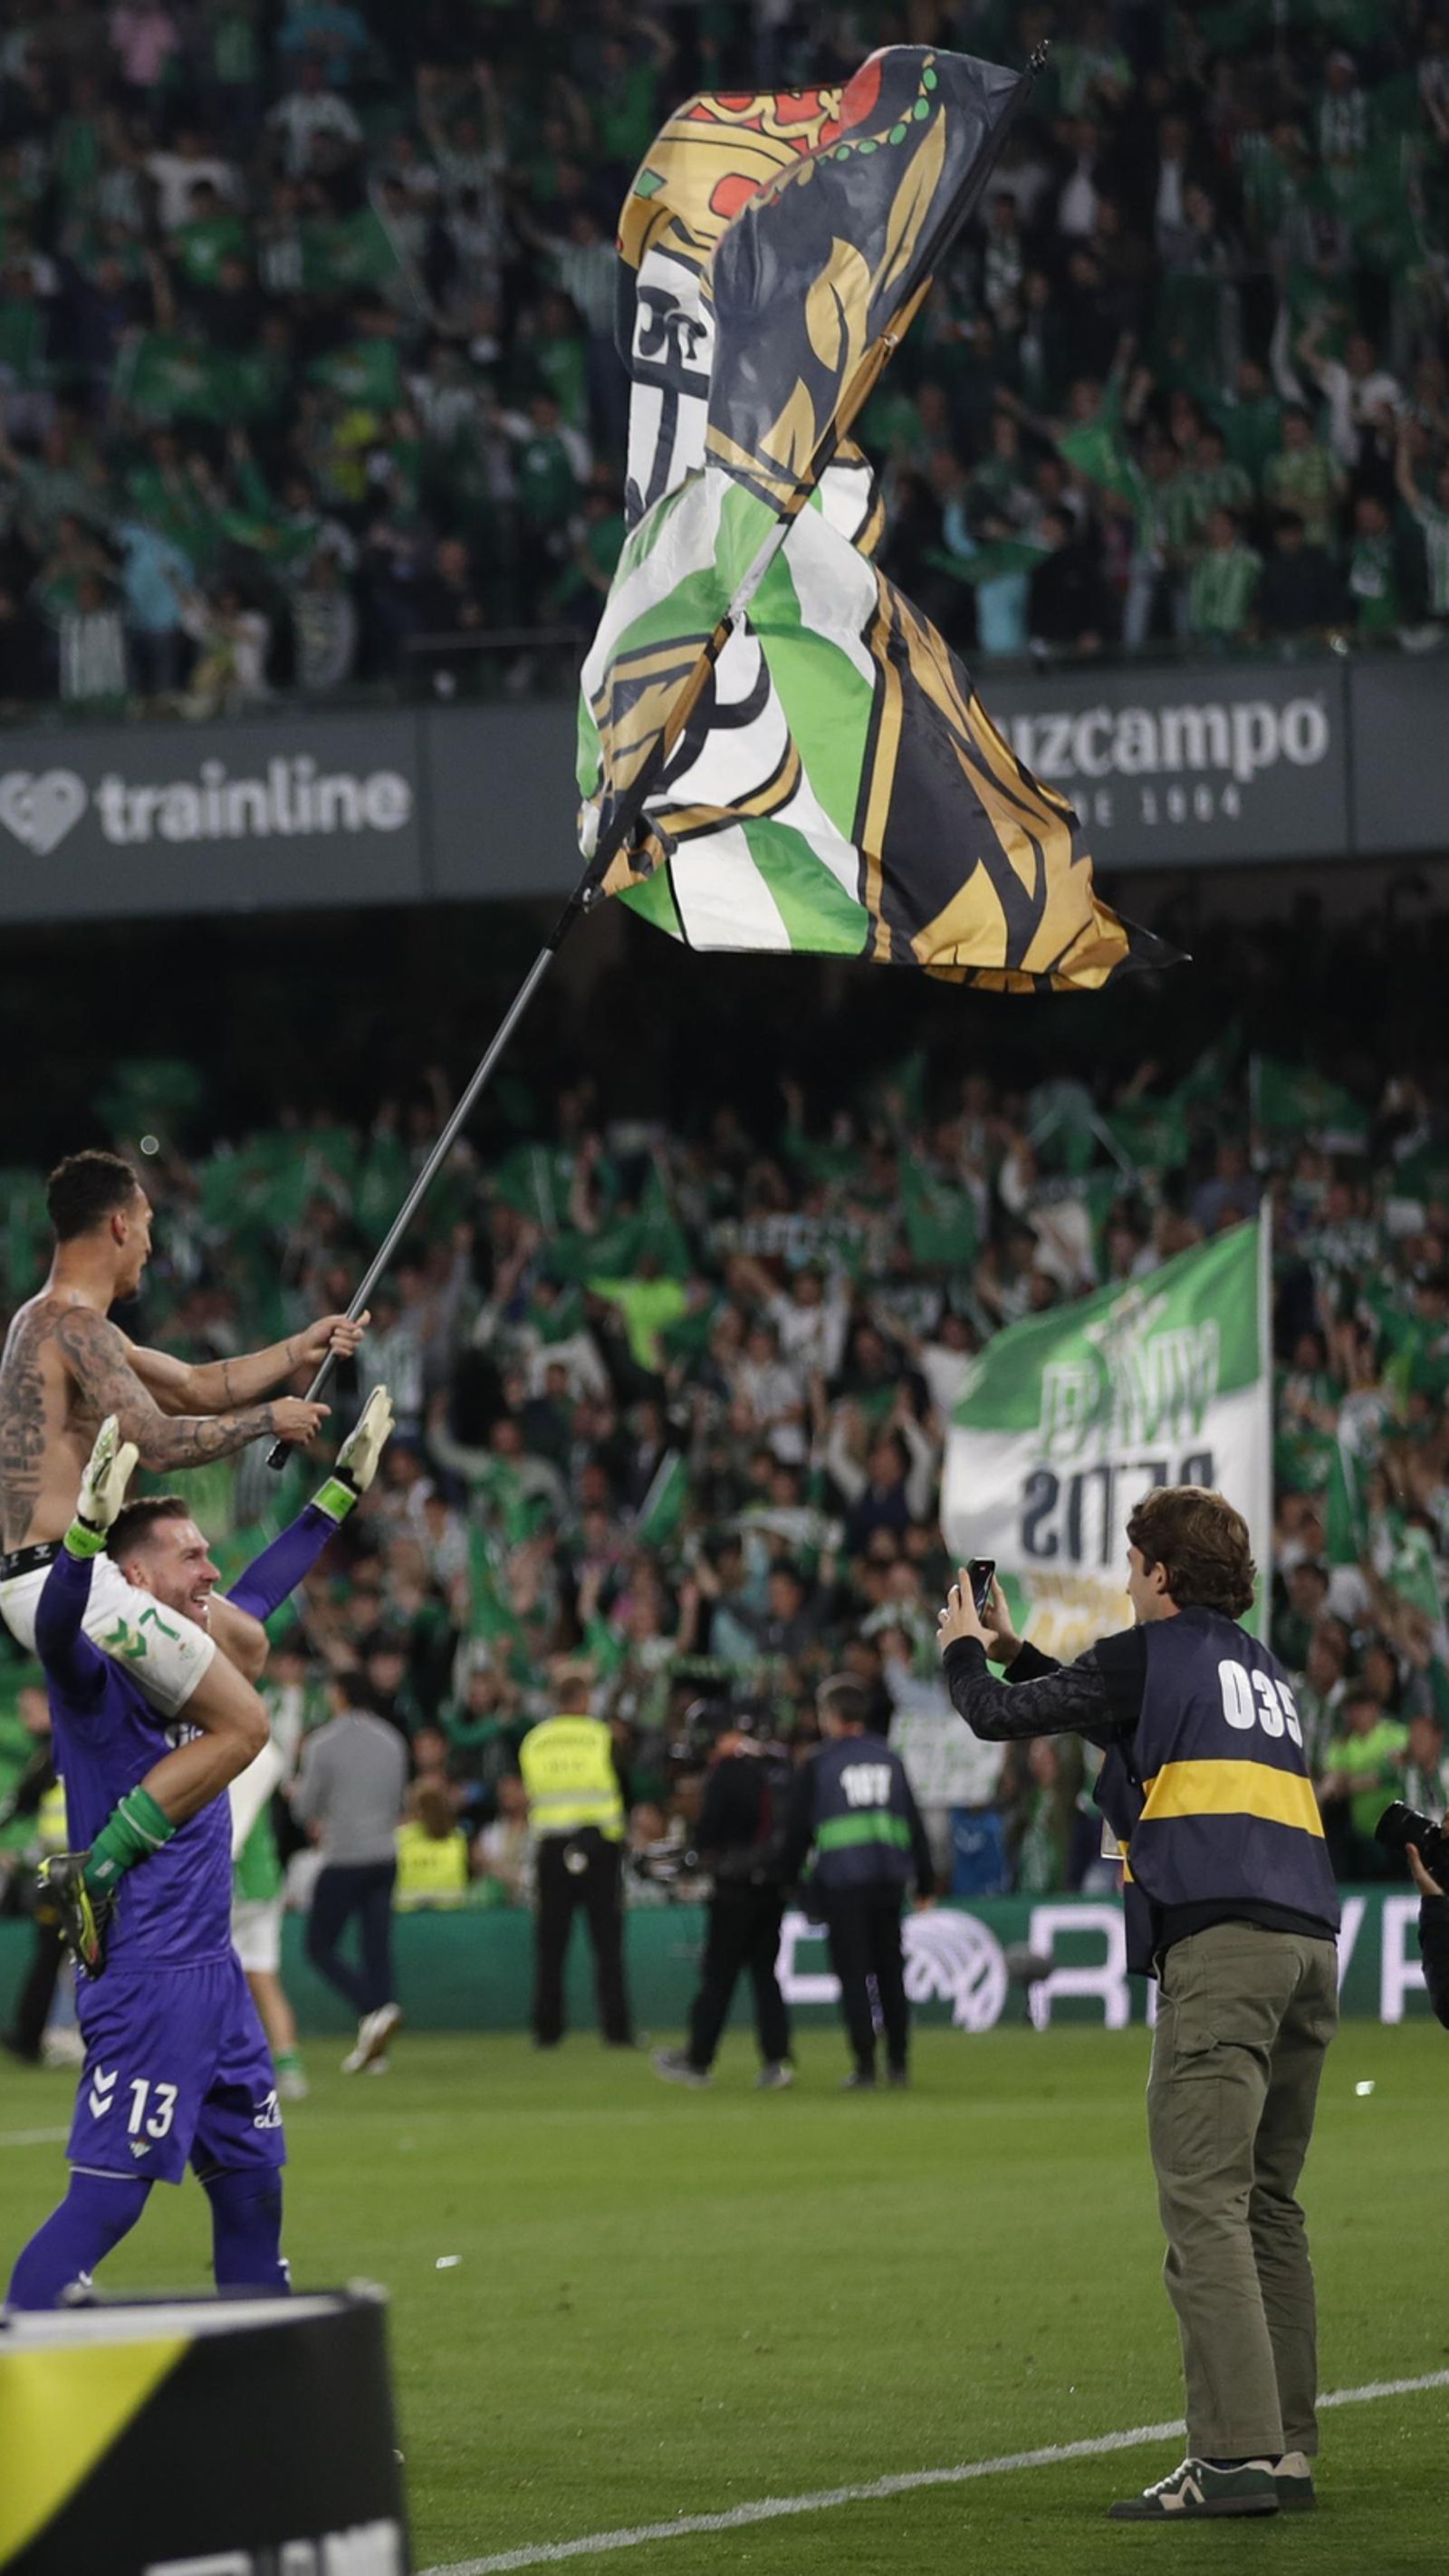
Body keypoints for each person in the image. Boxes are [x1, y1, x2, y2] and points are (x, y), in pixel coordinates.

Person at [939, 1485, 1340, 2522]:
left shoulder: (1149, 1652)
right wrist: (1020, 1649)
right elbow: (1118, 1715)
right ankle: (1286, 2452)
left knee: (1204, 2204)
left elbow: (996, 1718)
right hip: (1307, 1945)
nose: (1124, 1582)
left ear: (1161, 1573)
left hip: (1224, 1950)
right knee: (1267, 2206)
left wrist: (963, 1653)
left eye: (1131, 1565)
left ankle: (1233, 2458)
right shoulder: (1263, 1672)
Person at [5, 1395, 390, 2309]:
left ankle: (270, 2391)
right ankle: (20, 2365)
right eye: (191, 1556)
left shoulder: (199, 1654)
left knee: (255, 2196)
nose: (213, 1569)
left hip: (214, 1976)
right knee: (106, 2204)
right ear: (135, 1577)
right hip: (145, 1974)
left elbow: (263, 1591)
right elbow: (55, 1629)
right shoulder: (97, 1671)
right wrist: (82, 1539)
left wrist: (339, 1490)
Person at [0, 1149, 363, 1962]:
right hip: (65, 1577)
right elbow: (159, 1442)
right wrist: (269, 1420)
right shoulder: (74, 1327)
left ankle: (143, 1803)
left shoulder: (59, 1324)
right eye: (148, 1226)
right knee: (247, 1725)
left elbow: (197, 1385)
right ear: (118, 1224)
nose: (152, 1245)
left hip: (54, 1575)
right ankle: (96, 1869)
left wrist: (298, 1348)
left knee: (244, 1643)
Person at [777, 1674, 935, 2091]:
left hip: (843, 1884)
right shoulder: (890, 1759)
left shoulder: (819, 1763)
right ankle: (898, 2063)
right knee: (890, 1973)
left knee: (853, 1977)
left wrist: (787, 1880)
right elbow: (913, 1822)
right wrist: (925, 1880)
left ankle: (865, 2065)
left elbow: (797, 1831)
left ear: (830, 1715)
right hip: (888, 1882)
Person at [653, 1717, 794, 2091]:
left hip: (734, 1887)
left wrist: (697, 1854)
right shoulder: (776, 1768)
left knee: (718, 1976)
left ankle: (698, 2059)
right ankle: (777, 2061)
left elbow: (710, 1832)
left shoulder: (726, 1773)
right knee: (765, 1977)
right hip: (773, 1887)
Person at [293, 1669, 408, 2072]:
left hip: (344, 1857)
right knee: (376, 1948)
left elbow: (305, 1809)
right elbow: (397, 1800)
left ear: (340, 1695)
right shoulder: (392, 1740)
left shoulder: (322, 1744)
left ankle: (374, 2008)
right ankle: (377, 2048)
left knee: (319, 1946)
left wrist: (298, 1794)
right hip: (385, 1855)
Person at [518, 1664, 634, 2049]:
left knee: (551, 1945)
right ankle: (617, 2031)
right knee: (608, 1944)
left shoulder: (535, 1740)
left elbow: (532, 1789)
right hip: (599, 1844)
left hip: (552, 1845)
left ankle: (546, 2031)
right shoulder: (601, 1735)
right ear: (583, 1700)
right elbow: (621, 1783)